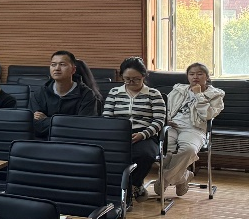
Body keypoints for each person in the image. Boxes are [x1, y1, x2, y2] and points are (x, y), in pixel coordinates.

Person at [101, 58, 168, 202]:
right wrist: (115, 134)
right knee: (105, 154)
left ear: (144, 76)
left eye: (136, 79)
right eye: (127, 79)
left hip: (145, 134)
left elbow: (159, 121)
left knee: (145, 155)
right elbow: (106, 117)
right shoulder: (114, 92)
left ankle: (134, 185)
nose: (131, 82)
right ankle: (121, 192)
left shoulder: (153, 94)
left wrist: (143, 135)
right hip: (119, 133)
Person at [158, 62, 225, 198]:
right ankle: (183, 177)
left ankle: (164, 179)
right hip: (172, 126)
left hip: (194, 129)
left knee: (189, 150)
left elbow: (208, 115)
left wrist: (199, 95)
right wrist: (166, 120)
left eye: (199, 74)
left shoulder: (216, 95)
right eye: (191, 74)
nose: (195, 77)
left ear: (207, 77)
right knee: (162, 149)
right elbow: (165, 107)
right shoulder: (178, 90)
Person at [30, 50, 99, 138]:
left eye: (62, 64)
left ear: (73, 70)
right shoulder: (40, 93)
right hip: (45, 141)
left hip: (74, 141)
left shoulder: (87, 94)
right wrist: (70, 122)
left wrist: (47, 120)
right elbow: (35, 126)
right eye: (53, 65)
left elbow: (83, 127)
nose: (57, 68)